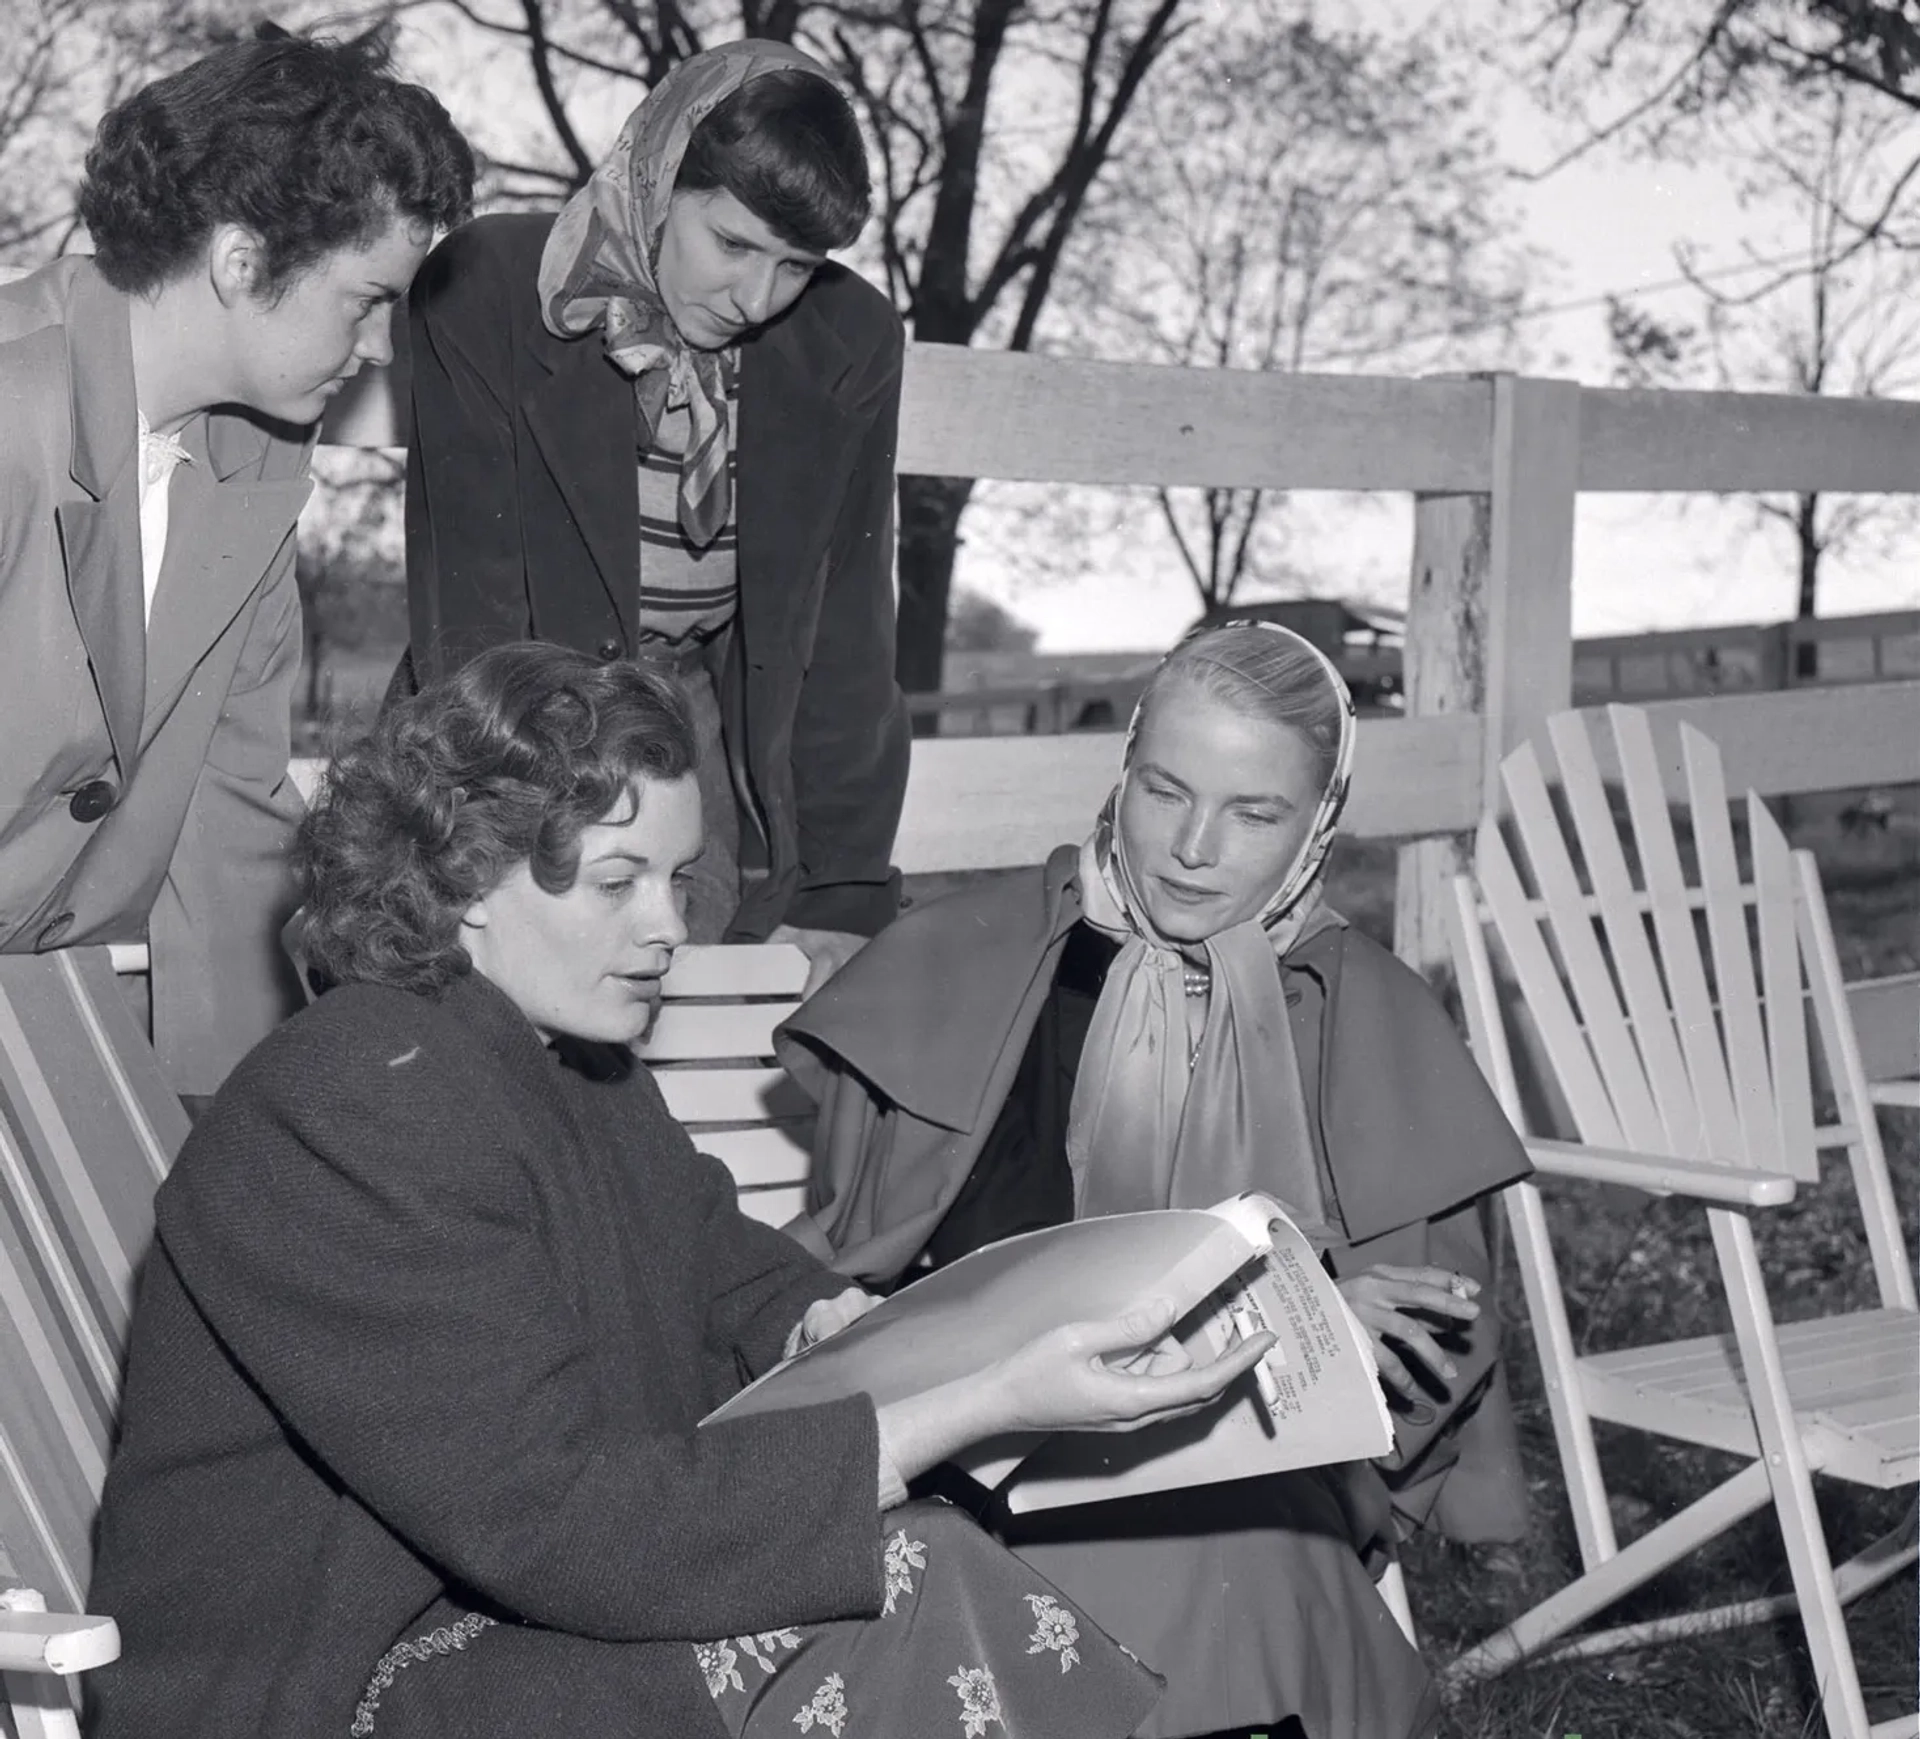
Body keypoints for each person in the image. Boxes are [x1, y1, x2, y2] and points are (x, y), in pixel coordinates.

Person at [84, 642, 1275, 1739]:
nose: (669, 928)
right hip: (333, 1671)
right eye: (618, 882)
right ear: (464, 880)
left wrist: (830, 1321)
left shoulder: (564, 1062)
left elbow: (719, 1256)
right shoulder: (349, 1100)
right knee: (902, 1576)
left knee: (914, 1562)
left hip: (483, 1603)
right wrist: (969, 1402)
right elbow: (556, 1520)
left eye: (676, 877)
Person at [777, 621, 1537, 1739]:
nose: (1192, 846)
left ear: (1319, 821)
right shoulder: (981, 958)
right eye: (1163, 790)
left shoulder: (1358, 1009)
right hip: (967, 1414)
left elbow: (1425, 1345)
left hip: (1236, 1439)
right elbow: (875, 1252)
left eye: (1254, 813)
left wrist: (1316, 1312)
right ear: (1121, 772)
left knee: (1222, 1534)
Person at [0, 28, 473, 1098]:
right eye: (366, 301)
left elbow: (231, 805)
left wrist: (261, 1117)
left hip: (65, 1014)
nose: (381, 350)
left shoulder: (253, 454)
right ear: (241, 259)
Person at [404, 40, 908, 991]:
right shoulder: (495, 288)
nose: (757, 298)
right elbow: (468, 611)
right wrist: (516, 844)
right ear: (661, 176)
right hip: (509, 719)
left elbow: (844, 627)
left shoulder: (851, 341)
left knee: (698, 962)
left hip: (697, 719)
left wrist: (842, 884)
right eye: (733, 244)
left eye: (796, 265)